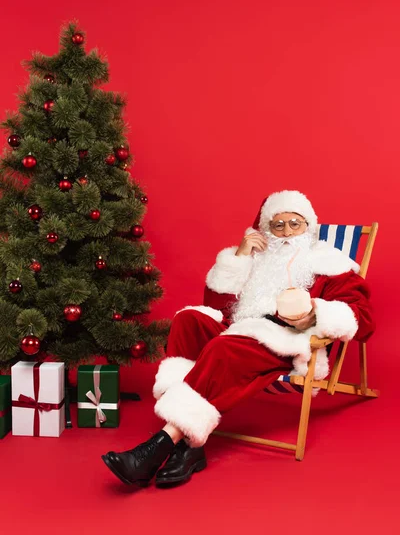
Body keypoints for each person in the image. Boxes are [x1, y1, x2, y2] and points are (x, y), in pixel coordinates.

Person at [101, 190, 374, 487]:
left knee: (223, 347)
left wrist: (316, 316)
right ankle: (189, 447)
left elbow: (362, 316)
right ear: (266, 229)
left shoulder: (329, 263)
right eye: (277, 225)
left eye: (294, 224)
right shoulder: (259, 259)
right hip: (239, 329)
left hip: (284, 341)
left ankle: (155, 449)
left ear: (308, 226)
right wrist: (239, 258)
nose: (285, 233)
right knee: (187, 321)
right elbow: (216, 305)